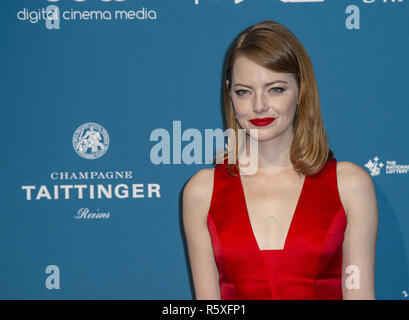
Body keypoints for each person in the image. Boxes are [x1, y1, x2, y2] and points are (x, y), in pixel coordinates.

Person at [182, 21, 378, 300]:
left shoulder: (350, 185)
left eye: (275, 89)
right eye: (244, 91)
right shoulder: (202, 192)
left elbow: (360, 294)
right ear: (229, 93)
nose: (259, 105)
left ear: (301, 90)